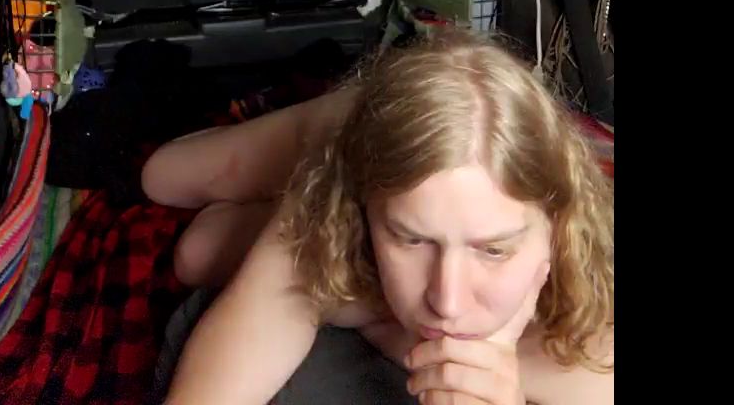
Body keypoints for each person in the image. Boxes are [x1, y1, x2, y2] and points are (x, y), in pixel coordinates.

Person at [141, 31, 614, 405]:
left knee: (197, 253)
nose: (447, 302)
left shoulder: (594, 339)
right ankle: (308, 164)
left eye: (493, 249)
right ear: (362, 210)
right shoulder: (341, 207)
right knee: (161, 178)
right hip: (336, 133)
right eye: (411, 239)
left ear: (558, 227)